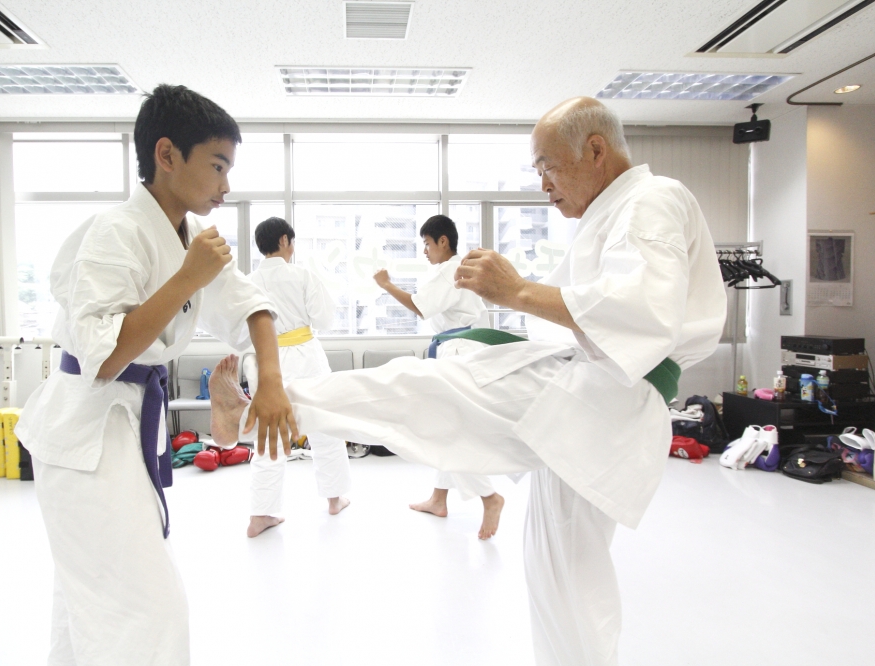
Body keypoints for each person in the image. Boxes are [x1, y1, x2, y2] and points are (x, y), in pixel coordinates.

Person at [210, 97, 728, 665]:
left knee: (424, 393)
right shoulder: (613, 211)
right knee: (560, 575)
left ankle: (258, 409)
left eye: (546, 166)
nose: (542, 185)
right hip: (592, 395)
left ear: (595, 150)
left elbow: (645, 311)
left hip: (609, 395)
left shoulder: (651, 200)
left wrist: (519, 292)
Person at [15, 84, 297, 666]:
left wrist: (268, 381)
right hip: (85, 432)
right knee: (145, 610)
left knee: (85, 604)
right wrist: (188, 280)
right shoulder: (116, 232)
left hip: (119, 429)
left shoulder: (188, 240)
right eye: (217, 166)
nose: (226, 186)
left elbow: (253, 309)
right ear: (166, 155)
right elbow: (107, 355)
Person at [373, 215, 505, 540]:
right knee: (451, 425)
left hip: (460, 350)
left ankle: (489, 497)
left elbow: (420, 307)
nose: (425, 251)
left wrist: (386, 284)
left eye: (427, 244)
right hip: (459, 348)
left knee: (450, 427)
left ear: (443, 241)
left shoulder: (451, 270)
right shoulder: (450, 270)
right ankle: (439, 498)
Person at [243, 216, 352, 537]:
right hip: (306, 356)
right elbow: (324, 318)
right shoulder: (302, 275)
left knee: (269, 435)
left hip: (267, 360)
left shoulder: (248, 281)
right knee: (324, 427)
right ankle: (334, 498)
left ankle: (260, 514)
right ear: (284, 241)